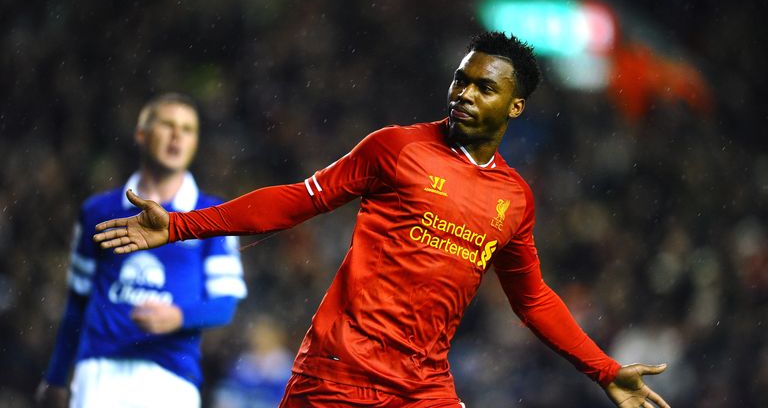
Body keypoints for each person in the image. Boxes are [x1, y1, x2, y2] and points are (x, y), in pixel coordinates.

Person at [93, 33, 671, 408]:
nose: (464, 93)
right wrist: (180, 225)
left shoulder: (514, 198)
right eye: (461, 79)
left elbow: (533, 299)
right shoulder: (396, 149)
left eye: (484, 87)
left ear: (514, 107)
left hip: (423, 386)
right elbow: (299, 199)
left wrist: (603, 370)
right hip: (337, 375)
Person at [37, 93, 247, 408]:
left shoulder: (212, 214)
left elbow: (225, 303)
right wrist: (55, 376)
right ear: (141, 133)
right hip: (100, 370)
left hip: (173, 374)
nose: (178, 135)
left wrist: (179, 316)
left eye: (188, 129)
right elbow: (77, 302)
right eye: (168, 124)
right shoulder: (98, 210)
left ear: (195, 143)